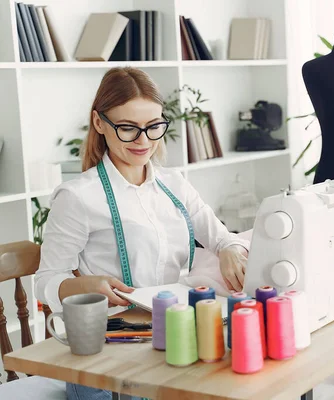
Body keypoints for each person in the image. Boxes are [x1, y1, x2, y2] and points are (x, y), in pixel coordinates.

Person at [33, 67, 249, 400]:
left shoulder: (174, 184)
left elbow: (221, 236)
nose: (143, 141)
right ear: (99, 123)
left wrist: (230, 248)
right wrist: (84, 285)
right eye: (128, 128)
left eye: (153, 127)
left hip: (170, 340)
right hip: (106, 356)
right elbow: (46, 279)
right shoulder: (77, 197)